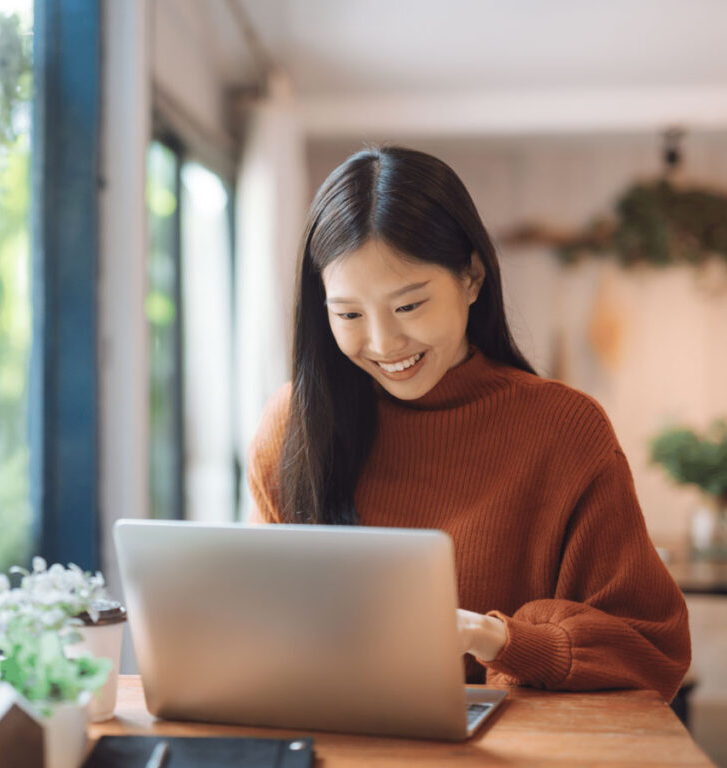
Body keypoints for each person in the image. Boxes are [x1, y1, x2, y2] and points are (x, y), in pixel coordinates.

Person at [247, 145, 690, 701]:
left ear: (472, 277)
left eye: (409, 306)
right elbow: (269, 630)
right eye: (350, 314)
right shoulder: (293, 426)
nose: (384, 344)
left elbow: (654, 650)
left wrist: (501, 639)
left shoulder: (564, 429)